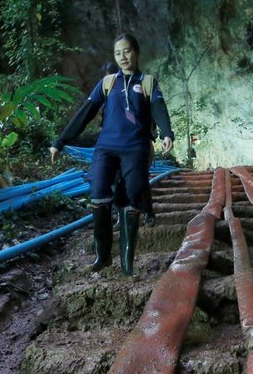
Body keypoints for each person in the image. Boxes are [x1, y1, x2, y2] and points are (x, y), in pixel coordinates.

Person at [50, 34, 174, 275]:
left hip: (136, 148)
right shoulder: (107, 83)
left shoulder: (148, 82)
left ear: (136, 52)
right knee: (98, 191)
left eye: (127, 51)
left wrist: (167, 133)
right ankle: (102, 256)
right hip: (106, 147)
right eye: (118, 53)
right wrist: (60, 141)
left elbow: (159, 108)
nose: (123, 57)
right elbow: (85, 112)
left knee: (132, 200)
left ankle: (127, 265)